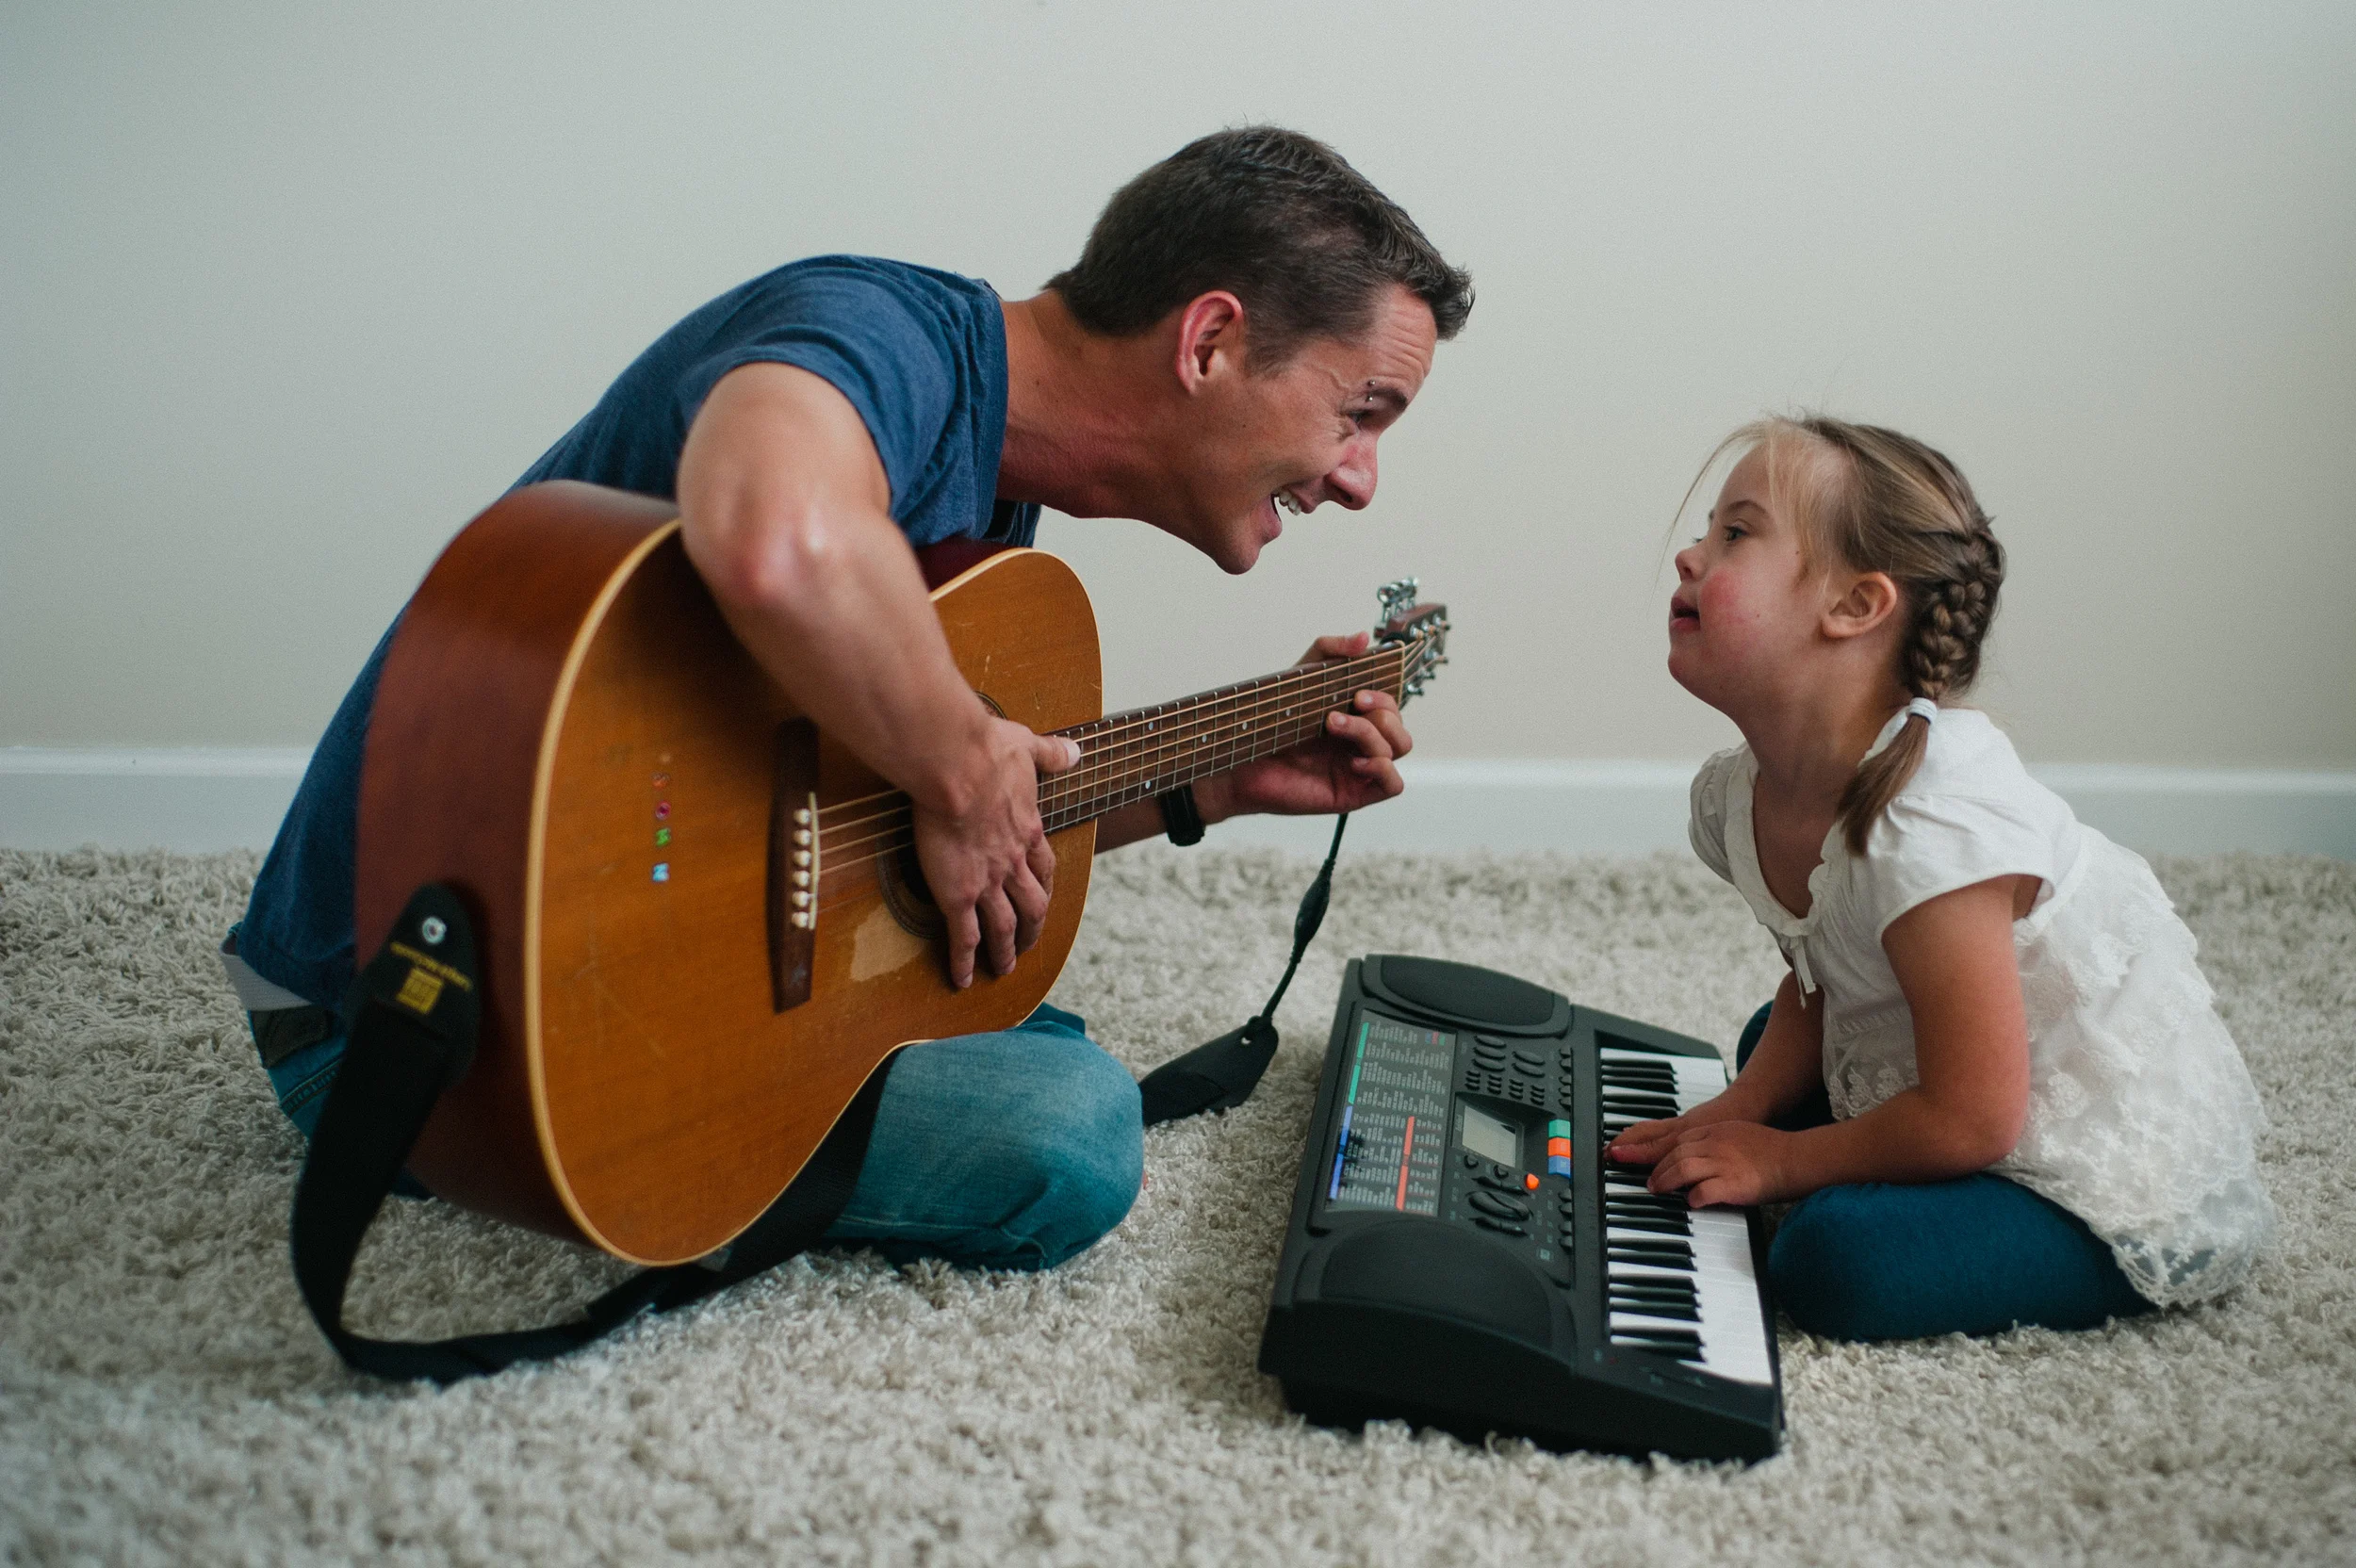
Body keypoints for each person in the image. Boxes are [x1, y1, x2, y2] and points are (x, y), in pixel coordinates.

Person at [221, 126, 1474, 1271]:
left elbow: (864, 808)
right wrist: (956, 761)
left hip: (596, 950)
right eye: (1362, 413)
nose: (1362, 480)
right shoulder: (882, 339)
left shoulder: (989, 484)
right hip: (414, 1016)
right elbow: (776, 539)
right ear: (1209, 340)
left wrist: (1207, 785)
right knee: (1073, 1128)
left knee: (1001, 1009)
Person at [1606, 416, 2274, 1341]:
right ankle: (1861, 1148)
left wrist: (1785, 1163)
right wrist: (1740, 1108)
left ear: (1853, 604)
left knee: (1835, 1261)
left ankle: (1912, 1194)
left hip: (2080, 1155)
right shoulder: (1741, 796)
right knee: (1773, 1040)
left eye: (1734, 533)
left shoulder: (1931, 827)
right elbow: (1818, 982)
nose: (1688, 554)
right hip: (1964, 1074)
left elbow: (1974, 1116)